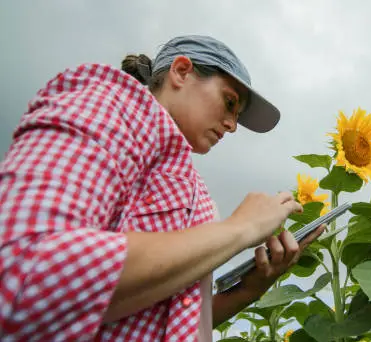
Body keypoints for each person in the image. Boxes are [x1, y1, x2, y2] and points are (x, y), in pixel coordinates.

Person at [0, 35, 324, 341]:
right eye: (229, 103)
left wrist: (249, 290)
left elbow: (170, 320)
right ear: (181, 72)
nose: (232, 125)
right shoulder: (111, 110)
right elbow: (22, 273)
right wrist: (240, 228)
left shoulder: (198, 195)